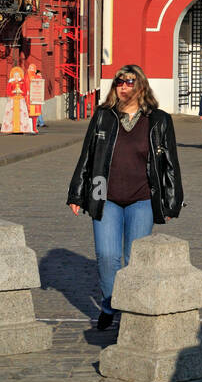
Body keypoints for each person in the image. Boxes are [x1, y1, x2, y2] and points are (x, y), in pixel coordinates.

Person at [67, 64, 184, 331]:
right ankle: (109, 305)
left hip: (142, 198)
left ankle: (132, 312)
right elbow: (87, 156)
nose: (122, 86)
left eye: (129, 82)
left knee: (135, 259)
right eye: (118, 82)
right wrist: (76, 193)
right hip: (104, 195)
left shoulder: (159, 120)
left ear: (141, 85)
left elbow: (169, 163)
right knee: (107, 256)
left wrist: (172, 201)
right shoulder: (102, 116)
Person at [0, 65, 34, 135]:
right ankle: (11, 128)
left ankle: (21, 129)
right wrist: (13, 91)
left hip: (20, 100)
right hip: (12, 100)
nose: (16, 77)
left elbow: (25, 91)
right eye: (15, 75)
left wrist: (20, 91)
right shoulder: (10, 82)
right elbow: (8, 91)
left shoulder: (22, 82)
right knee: (11, 115)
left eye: (18, 75)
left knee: (21, 114)